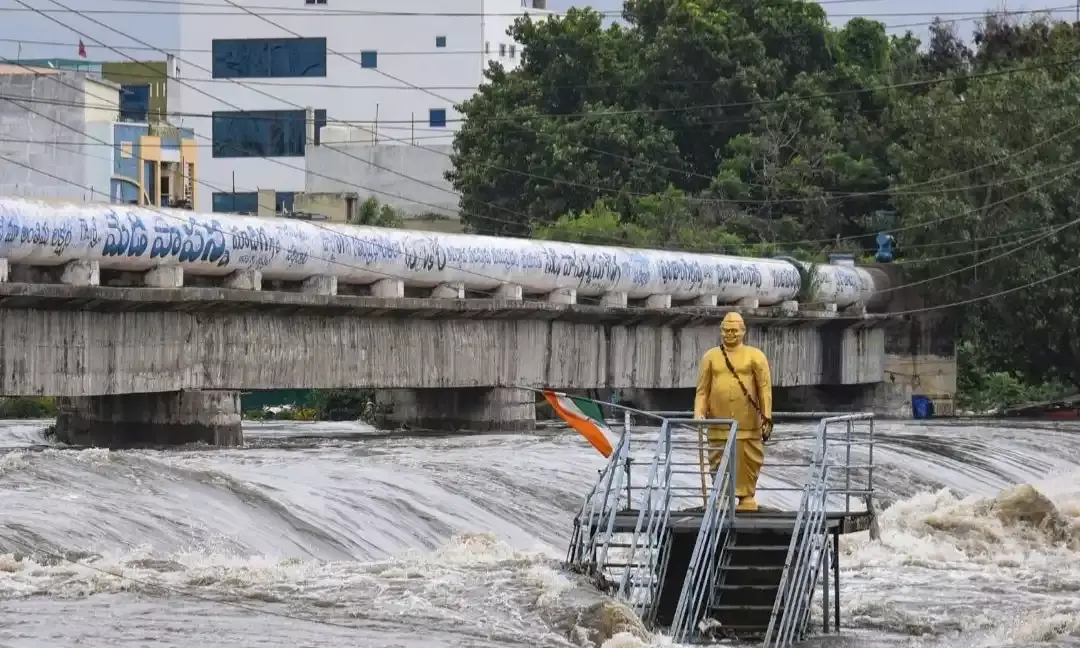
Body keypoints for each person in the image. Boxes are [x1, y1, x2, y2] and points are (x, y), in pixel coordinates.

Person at [693, 312, 773, 512]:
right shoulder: (710, 357)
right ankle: (721, 494)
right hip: (717, 422)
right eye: (726, 331)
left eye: (734, 331)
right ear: (721, 331)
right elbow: (702, 391)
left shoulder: (755, 356)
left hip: (748, 421)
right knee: (719, 458)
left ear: (743, 332)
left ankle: (746, 496)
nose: (730, 334)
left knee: (748, 458)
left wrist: (767, 415)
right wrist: (699, 413)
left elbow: (764, 388)